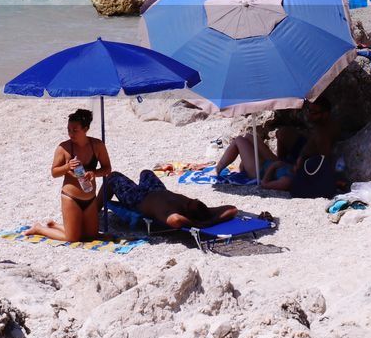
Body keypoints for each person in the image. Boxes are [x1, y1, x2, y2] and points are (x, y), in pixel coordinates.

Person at [24, 108, 112, 243]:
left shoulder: (97, 145)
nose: (71, 134)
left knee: (90, 237)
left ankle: (56, 226)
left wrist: (94, 173)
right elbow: (54, 172)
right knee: (73, 238)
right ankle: (39, 229)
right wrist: (66, 167)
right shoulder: (64, 148)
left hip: (90, 198)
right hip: (71, 198)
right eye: (69, 130)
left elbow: (107, 169)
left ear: (86, 129)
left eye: (75, 130)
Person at [101, 170, 239, 228]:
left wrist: (198, 225)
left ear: (189, 212)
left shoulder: (171, 213)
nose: (189, 200)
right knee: (146, 172)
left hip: (138, 198)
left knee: (112, 177)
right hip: (156, 189)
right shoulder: (201, 210)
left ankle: (93, 211)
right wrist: (213, 220)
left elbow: (176, 221)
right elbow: (232, 209)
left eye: (190, 203)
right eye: (193, 200)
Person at [261, 97, 340, 192]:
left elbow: (324, 161)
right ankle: (280, 161)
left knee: (245, 140)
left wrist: (298, 165)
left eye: (314, 113)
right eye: (309, 110)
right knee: (282, 132)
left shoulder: (322, 135)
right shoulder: (320, 126)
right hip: (293, 162)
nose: (309, 115)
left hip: (299, 167)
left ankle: (280, 162)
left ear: (326, 114)